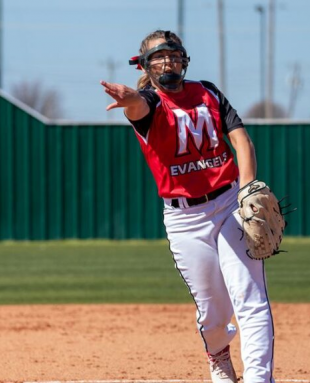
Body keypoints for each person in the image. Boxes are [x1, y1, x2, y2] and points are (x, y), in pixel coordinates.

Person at [100, 30, 275, 383]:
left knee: (249, 295)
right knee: (213, 312)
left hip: (229, 203)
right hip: (184, 219)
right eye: (159, 57)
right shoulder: (150, 104)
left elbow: (242, 141)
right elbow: (138, 104)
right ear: (146, 65)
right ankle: (218, 353)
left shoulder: (207, 92)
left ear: (184, 59)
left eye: (174, 55)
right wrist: (131, 96)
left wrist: (248, 189)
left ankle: (259, 378)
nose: (168, 62)